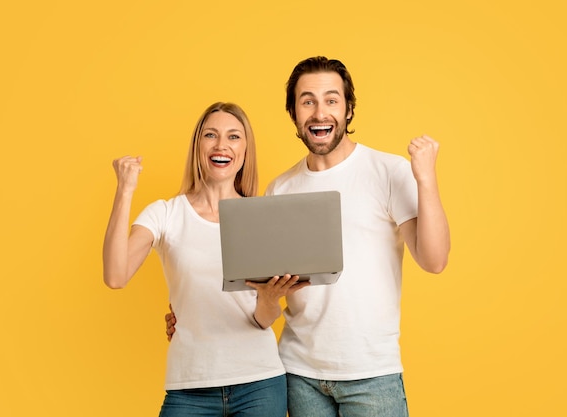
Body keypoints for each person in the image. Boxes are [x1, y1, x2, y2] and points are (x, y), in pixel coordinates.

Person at [166, 57, 451, 417]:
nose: (320, 113)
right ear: (294, 113)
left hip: (371, 374)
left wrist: (426, 179)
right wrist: (189, 315)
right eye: (307, 101)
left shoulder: (389, 171)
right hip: (298, 374)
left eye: (331, 100)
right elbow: (257, 286)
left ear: (348, 110)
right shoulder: (280, 188)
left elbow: (435, 259)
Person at [103, 102, 308, 417]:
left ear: (244, 151)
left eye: (233, 137)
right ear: (198, 146)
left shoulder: (262, 216)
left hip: (260, 384)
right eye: (210, 135)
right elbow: (116, 276)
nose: (221, 145)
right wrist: (125, 189)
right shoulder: (166, 214)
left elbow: (263, 319)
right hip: (190, 388)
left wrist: (269, 298)